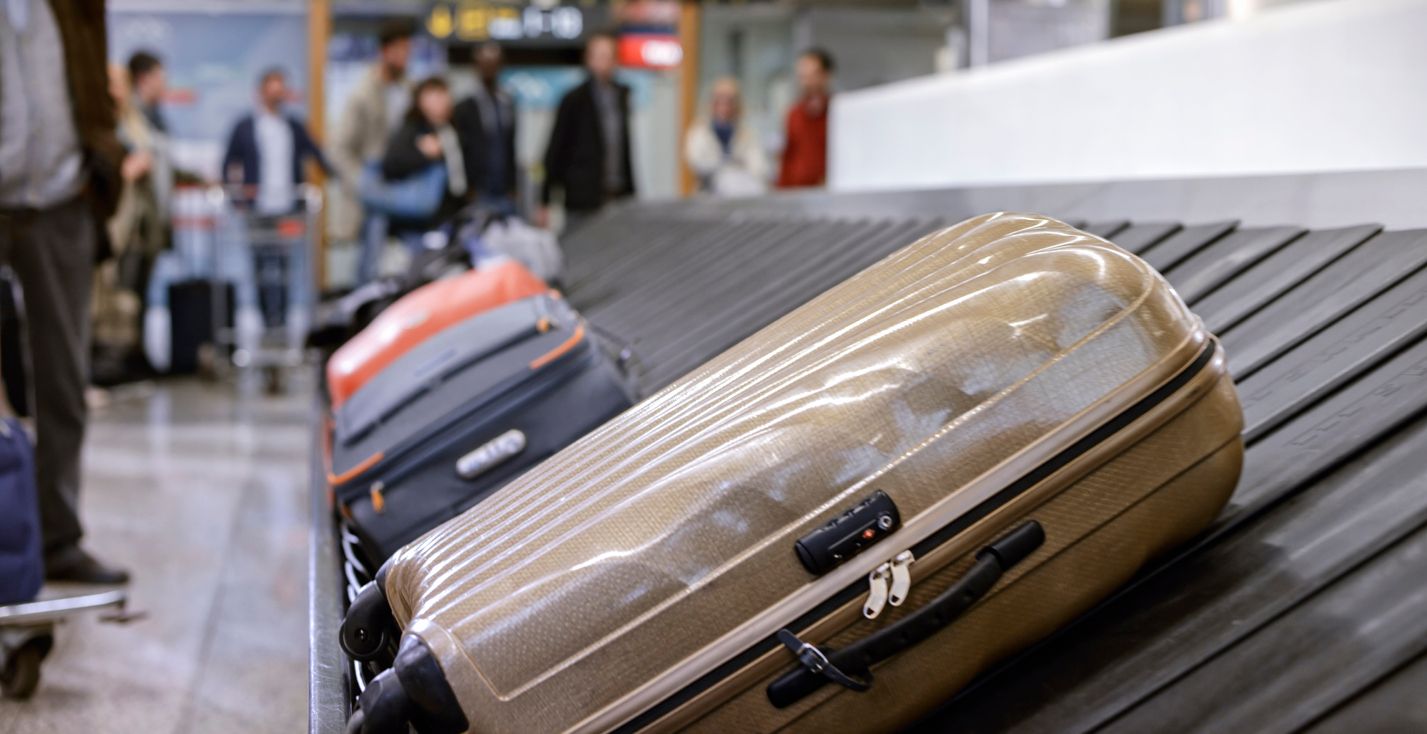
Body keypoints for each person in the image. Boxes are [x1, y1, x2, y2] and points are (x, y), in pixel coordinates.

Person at [0, 0, 129, 584]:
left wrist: (103, 155)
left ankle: (57, 539)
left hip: (59, 198)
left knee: (62, 379)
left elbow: (93, 78)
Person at [334, 20, 413, 283]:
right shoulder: (363, 93)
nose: (405, 57)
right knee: (370, 265)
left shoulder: (408, 91)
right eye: (400, 50)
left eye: (407, 50)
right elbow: (339, 148)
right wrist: (362, 181)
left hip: (404, 186)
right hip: (375, 187)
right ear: (385, 51)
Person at [539, 31, 635, 233]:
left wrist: (631, 192)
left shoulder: (621, 95)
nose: (604, 62)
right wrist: (545, 199)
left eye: (609, 56)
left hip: (616, 196)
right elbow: (556, 149)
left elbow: (625, 149)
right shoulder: (574, 99)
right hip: (582, 199)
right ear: (588, 59)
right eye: (599, 56)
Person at [221, 67, 332, 215]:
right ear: (262, 93)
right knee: (259, 238)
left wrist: (337, 174)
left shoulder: (294, 127)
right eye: (272, 92)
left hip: (290, 205)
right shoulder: (245, 128)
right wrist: (235, 198)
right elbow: (229, 163)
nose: (276, 97)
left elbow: (318, 154)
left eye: (280, 92)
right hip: (256, 207)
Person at [381, 77, 472, 233]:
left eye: (444, 95)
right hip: (420, 222)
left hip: (453, 213)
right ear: (421, 100)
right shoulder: (413, 129)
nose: (443, 101)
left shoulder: (451, 129)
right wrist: (424, 155)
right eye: (435, 95)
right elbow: (391, 165)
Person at [453, 42, 518, 215]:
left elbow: (511, 146)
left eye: (494, 62)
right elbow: (461, 148)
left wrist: (513, 185)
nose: (489, 67)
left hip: (504, 189)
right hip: (478, 190)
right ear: (476, 65)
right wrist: (468, 186)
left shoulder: (507, 103)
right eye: (484, 62)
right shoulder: (465, 106)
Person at [684, 77, 768, 197]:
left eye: (730, 101)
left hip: (741, 197)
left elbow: (759, 167)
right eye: (719, 100)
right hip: (708, 197)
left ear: (737, 104)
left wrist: (734, 172)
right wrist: (729, 166)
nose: (724, 106)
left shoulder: (748, 134)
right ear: (712, 103)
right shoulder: (699, 133)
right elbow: (698, 163)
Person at [777, 48, 835, 189]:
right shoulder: (793, 114)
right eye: (802, 76)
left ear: (826, 76)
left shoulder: (838, 112)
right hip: (796, 194)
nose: (807, 82)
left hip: (828, 193)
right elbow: (787, 158)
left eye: (812, 75)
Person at [127, 49, 168, 134]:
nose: (163, 85)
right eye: (159, 78)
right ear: (143, 79)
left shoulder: (153, 112)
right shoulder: (126, 115)